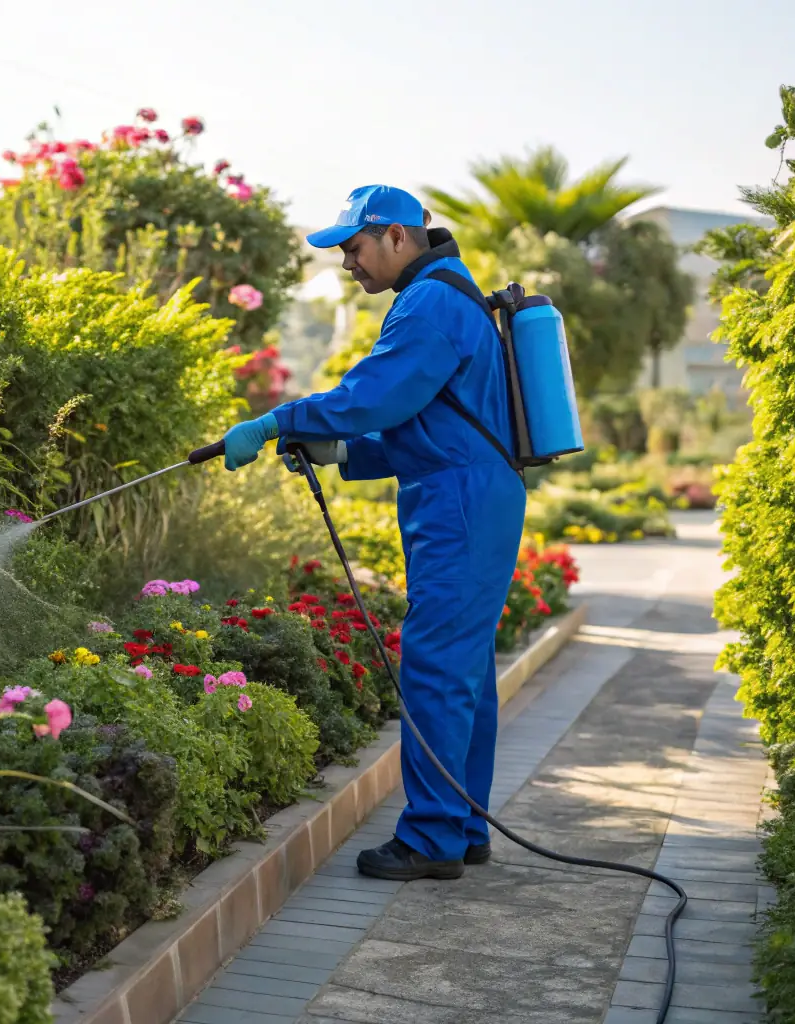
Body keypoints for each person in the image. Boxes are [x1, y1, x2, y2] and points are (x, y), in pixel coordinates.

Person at [221, 184, 526, 881]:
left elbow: (377, 396)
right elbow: (432, 424)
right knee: (463, 670)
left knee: (437, 667)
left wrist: (277, 420)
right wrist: (346, 454)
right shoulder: (446, 296)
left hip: (459, 502)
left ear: (395, 236)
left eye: (354, 248)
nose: (348, 264)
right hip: (465, 490)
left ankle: (431, 839)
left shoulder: (429, 302)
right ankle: (461, 825)